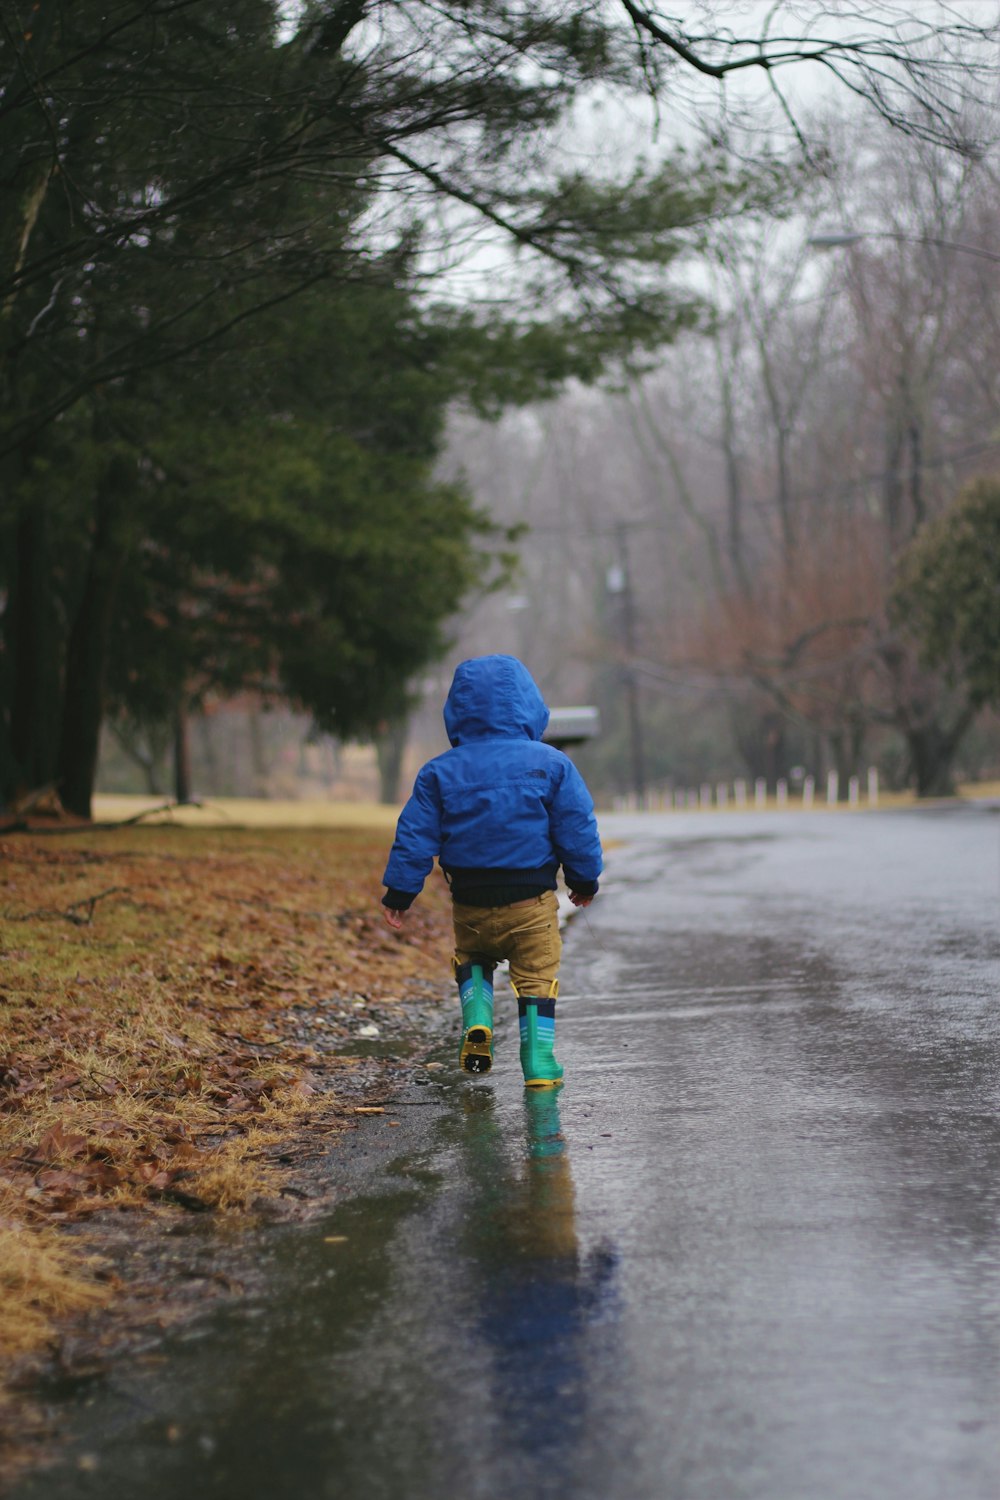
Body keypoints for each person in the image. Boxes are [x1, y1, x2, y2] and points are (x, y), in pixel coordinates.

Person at [380, 655, 602, 1088]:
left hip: (470, 902)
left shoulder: (439, 772)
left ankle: (478, 1016)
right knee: (536, 975)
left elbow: (415, 835)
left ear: (458, 709)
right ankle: (538, 1061)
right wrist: (583, 880)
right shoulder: (552, 764)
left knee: (474, 959)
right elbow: (576, 827)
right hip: (531, 902)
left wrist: (399, 893)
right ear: (528, 705)